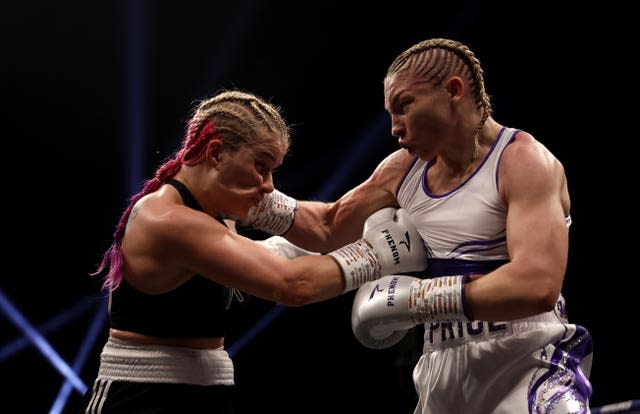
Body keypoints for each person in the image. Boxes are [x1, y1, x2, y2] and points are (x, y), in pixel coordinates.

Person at [240, 38, 594, 413]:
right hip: (442, 368)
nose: (394, 127)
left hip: (528, 360)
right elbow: (327, 225)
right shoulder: (402, 169)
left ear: (453, 91)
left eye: (404, 106)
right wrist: (247, 199)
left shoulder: (523, 162)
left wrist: (418, 299)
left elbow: (537, 283)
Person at [79, 89, 428, 413]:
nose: (268, 185)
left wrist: (395, 174)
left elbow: (325, 226)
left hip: (209, 390)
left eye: (272, 170)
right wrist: (380, 253)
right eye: (260, 165)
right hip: (141, 397)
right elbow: (292, 286)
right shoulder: (164, 218)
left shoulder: (230, 196)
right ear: (216, 153)